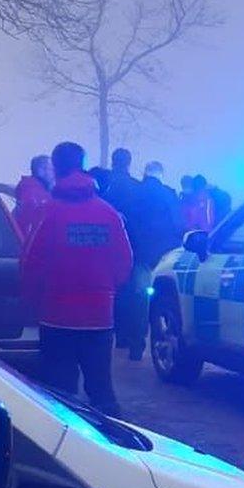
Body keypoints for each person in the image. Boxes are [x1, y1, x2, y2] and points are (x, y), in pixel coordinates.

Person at [21, 142, 133, 415]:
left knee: (60, 394)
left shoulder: (48, 211)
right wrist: (104, 289)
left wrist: (36, 301)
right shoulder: (108, 213)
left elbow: (30, 262)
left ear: (57, 169)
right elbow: (125, 262)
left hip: (56, 316)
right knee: (101, 389)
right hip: (99, 316)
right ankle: (114, 446)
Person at [121, 161, 183, 361]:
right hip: (165, 256)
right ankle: (162, 338)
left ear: (145, 173)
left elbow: (126, 224)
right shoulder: (170, 194)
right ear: (161, 173)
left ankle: (136, 346)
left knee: (139, 298)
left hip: (140, 254)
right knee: (163, 300)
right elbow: (178, 223)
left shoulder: (133, 193)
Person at [102, 148, 143, 350]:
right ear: (129, 162)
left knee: (115, 293)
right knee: (133, 294)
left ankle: (118, 335)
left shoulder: (106, 187)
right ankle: (131, 339)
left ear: (113, 162)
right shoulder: (137, 187)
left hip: (109, 248)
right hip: (134, 246)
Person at [13, 155, 54, 238]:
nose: (54, 173)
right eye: (51, 169)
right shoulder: (30, 188)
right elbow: (29, 219)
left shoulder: (42, 190)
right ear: (41, 170)